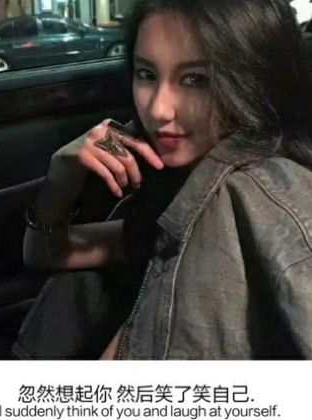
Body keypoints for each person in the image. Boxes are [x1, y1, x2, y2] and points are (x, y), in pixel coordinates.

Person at [23, 0, 312, 359]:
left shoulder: (247, 192)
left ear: (254, 81)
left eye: (196, 80)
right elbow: (46, 252)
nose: (159, 109)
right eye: (146, 74)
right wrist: (62, 173)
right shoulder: (185, 189)